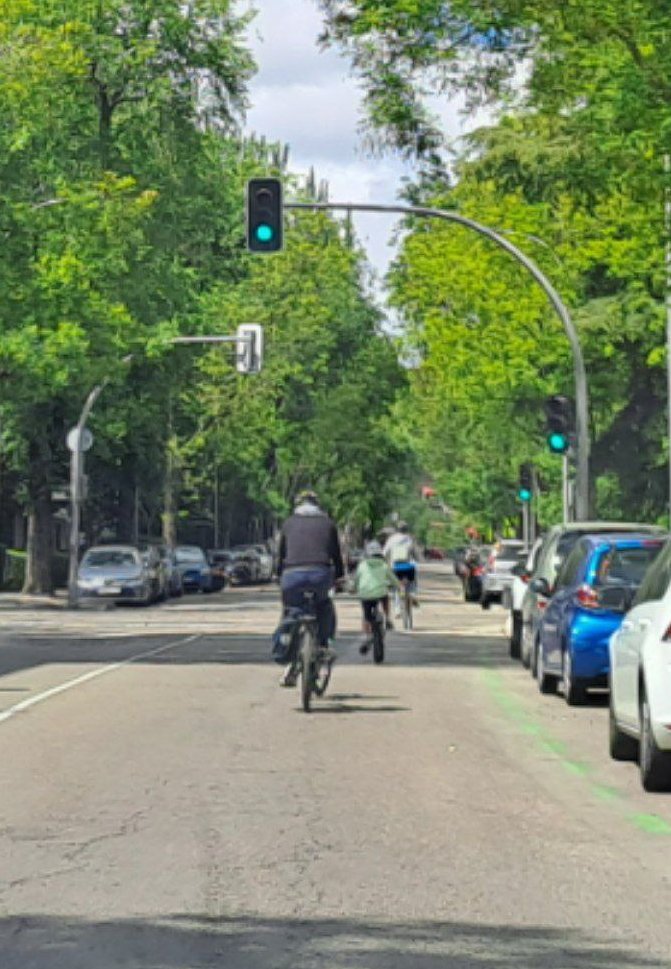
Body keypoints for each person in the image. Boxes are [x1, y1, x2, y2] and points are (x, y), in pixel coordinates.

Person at [276, 489, 344, 687]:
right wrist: (339, 577)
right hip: (320, 574)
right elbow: (336, 555)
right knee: (324, 607)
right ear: (317, 504)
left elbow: (280, 555)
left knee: (291, 611)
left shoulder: (288, 523)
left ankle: (289, 659)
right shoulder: (328, 523)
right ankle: (324, 646)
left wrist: (278, 575)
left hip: (292, 576)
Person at [353, 541, 399, 655]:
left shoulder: (362, 565)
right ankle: (388, 618)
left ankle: (368, 635)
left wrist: (354, 588)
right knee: (385, 598)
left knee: (366, 616)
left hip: (365, 595)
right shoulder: (384, 565)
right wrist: (398, 586)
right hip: (380, 593)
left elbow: (356, 581)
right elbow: (394, 580)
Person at [383, 521, 420, 616]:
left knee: (396, 587)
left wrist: (386, 561)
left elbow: (385, 552)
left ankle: (397, 609)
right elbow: (415, 553)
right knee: (413, 579)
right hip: (407, 566)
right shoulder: (409, 539)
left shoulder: (391, 539)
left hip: (395, 567)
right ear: (406, 529)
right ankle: (412, 594)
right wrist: (417, 559)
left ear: (397, 530)